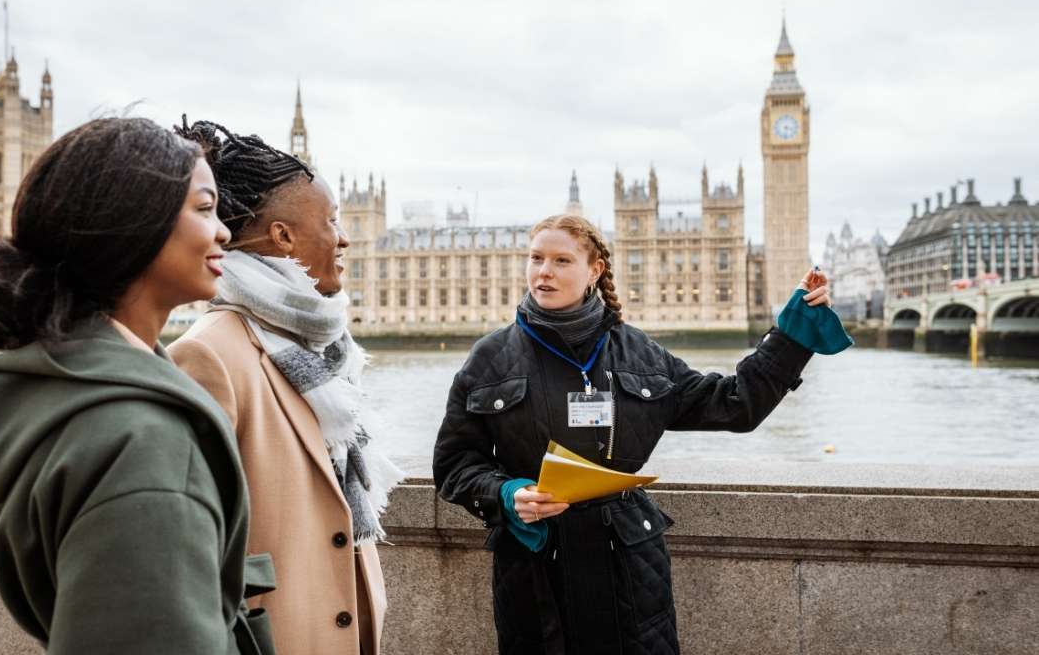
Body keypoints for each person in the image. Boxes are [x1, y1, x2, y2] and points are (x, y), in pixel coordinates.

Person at [433, 214, 839, 655]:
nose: (543, 271)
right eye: (535, 258)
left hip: (628, 562)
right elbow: (455, 464)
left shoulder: (638, 351)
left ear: (594, 271)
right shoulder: (490, 357)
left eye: (561, 260)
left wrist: (792, 336)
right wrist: (507, 494)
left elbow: (735, 404)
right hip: (535, 563)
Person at [0, 118, 274, 654]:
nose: (225, 230)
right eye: (204, 208)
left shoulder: (56, 394)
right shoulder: (145, 441)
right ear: (135, 226)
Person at [169, 118, 402, 655]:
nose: (345, 238)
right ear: (283, 236)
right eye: (332, 221)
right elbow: (186, 556)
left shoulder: (328, 353)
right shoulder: (209, 354)